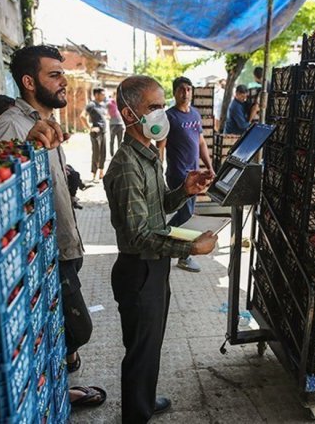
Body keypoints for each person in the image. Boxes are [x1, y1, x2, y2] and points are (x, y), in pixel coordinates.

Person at [0, 44, 106, 409]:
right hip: (40, 253)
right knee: (75, 328)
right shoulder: (11, 126)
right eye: (53, 75)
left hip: (62, 244)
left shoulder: (44, 123)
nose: (63, 81)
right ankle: (55, 388)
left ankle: (57, 390)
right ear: (28, 82)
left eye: (62, 73)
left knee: (54, 327)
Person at [103, 75, 218, 423]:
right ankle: (136, 415)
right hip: (138, 268)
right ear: (128, 114)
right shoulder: (126, 165)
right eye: (153, 108)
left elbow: (156, 210)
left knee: (150, 345)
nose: (162, 114)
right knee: (140, 350)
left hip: (154, 267)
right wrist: (190, 248)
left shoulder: (149, 156)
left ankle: (146, 400)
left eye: (161, 105)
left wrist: (183, 190)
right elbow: (139, 234)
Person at [157, 76, 215, 273]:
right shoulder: (169, 116)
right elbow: (161, 146)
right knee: (186, 213)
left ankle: (164, 242)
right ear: (174, 92)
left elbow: (200, 143)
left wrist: (209, 165)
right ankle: (172, 247)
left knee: (186, 213)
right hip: (178, 174)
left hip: (194, 174)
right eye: (181, 89)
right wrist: (157, 168)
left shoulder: (195, 115)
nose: (185, 93)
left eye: (189, 89)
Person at [80, 87, 108, 182]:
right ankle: (93, 175)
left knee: (103, 152)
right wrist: (90, 128)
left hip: (103, 132)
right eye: (102, 94)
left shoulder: (102, 105)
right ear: (96, 95)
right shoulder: (91, 105)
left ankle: (101, 172)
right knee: (96, 153)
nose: (104, 95)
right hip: (96, 133)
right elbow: (82, 116)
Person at [107, 92, 125, 156]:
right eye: (116, 95)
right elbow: (104, 107)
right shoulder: (110, 103)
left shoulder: (121, 103)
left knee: (120, 141)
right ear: (113, 96)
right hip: (113, 124)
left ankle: (118, 154)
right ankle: (112, 154)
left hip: (120, 124)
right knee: (112, 140)